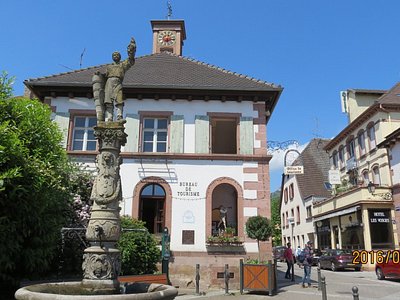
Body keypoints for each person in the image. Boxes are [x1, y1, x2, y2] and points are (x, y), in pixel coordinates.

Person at [93, 38, 136, 122]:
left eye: (117, 55)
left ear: (120, 57)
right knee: (108, 101)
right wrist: (99, 74)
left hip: (118, 83)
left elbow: (130, 60)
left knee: (119, 100)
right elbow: (104, 76)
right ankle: (109, 117)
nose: (115, 56)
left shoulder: (122, 65)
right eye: (114, 55)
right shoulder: (109, 67)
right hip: (109, 83)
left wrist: (132, 48)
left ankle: (119, 116)